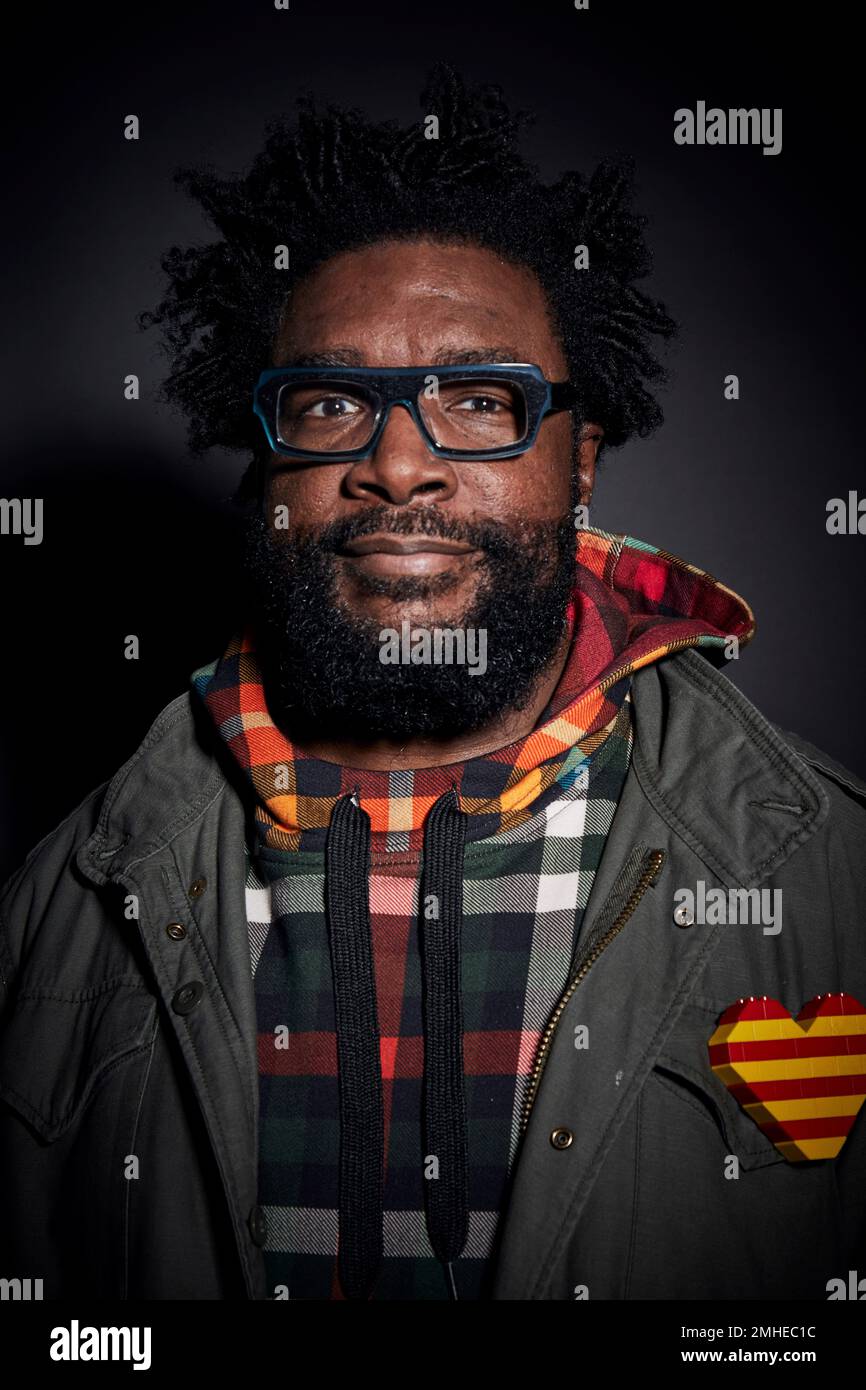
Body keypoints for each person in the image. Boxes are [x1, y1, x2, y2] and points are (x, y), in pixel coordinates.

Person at [1, 65, 864, 1302]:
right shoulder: (57, 912)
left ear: (579, 464)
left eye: (478, 400)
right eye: (331, 400)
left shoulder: (830, 882)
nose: (396, 462)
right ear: (268, 468)